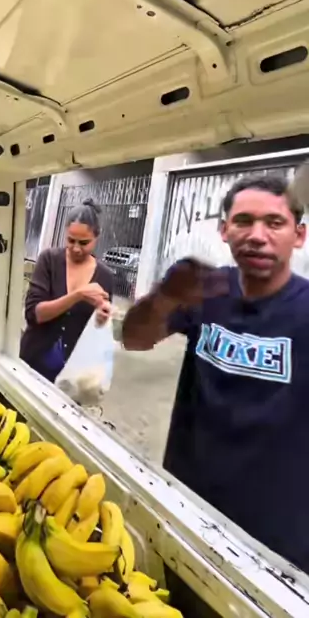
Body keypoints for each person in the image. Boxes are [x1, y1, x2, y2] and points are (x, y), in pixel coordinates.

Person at [122, 173, 309, 572]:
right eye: (243, 221)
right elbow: (134, 340)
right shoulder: (205, 290)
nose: (256, 235)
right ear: (224, 231)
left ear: (299, 235)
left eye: (274, 222)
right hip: (185, 508)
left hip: (275, 543)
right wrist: (165, 297)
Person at [21, 199, 114, 382]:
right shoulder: (49, 261)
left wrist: (102, 317)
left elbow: (99, 327)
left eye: (84, 242)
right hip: (33, 363)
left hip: (73, 374)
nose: (76, 248)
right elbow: (34, 314)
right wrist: (78, 295)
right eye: (71, 240)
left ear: (97, 237)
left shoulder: (105, 276)